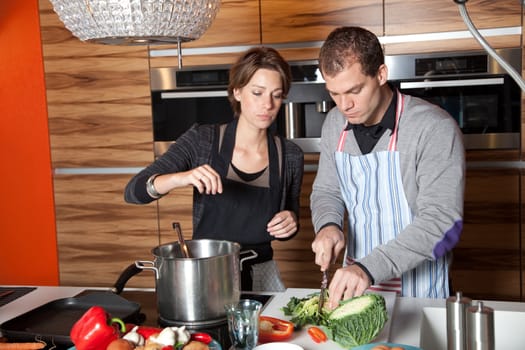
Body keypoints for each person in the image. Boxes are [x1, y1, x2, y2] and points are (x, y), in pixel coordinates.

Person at [124, 46, 304, 292]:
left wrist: (290, 223)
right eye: (258, 93)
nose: (268, 105)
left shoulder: (291, 155)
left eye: (277, 95)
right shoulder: (202, 141)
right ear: (237, 91)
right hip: (207, 276)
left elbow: (289, 221)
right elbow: (134, 192)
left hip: (262, 275)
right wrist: (181, 178)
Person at [310, 26, 465, 306]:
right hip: (356, 288)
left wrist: (370, 268)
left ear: (381, 74)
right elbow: (327, 190)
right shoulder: (335, 123)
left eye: (355, 90)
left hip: (419, 290)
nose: (345, 105)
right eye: (334, 93)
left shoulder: (433, 127)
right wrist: (328, 226)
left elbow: (442, 222)